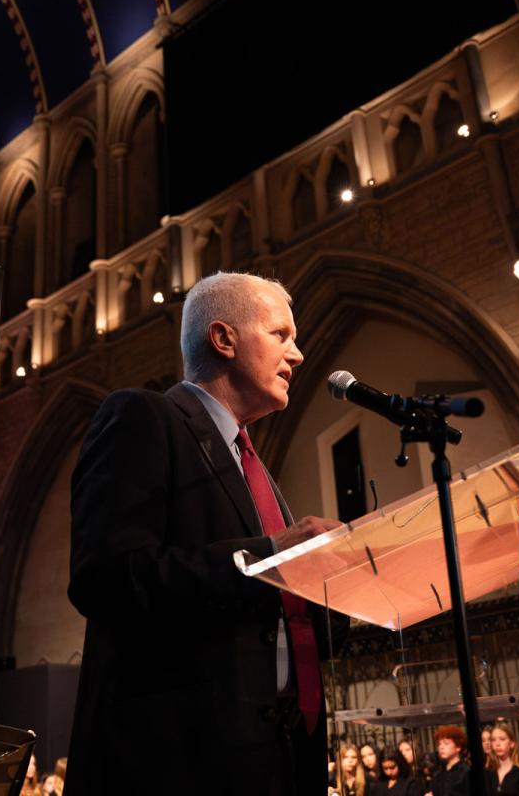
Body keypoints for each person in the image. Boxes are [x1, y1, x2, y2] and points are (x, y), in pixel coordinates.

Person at [67, 272, 345, 796]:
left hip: (278, 762)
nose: (299, 354)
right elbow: (105, 576)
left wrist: (342, 584)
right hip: (179, 765)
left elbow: (278, 619)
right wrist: (270, 555)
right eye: (281, 335)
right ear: (224, 339)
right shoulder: (143, 417)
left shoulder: (255, 470)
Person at [485, 722, 519, 796]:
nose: (497, 744)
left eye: (502, 739)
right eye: (493, 740)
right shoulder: (488, 772)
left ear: (512, 743)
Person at [430, 725, 468, 796]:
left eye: (446, 743)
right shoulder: (437, 775)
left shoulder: (466, 773)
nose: (441, 747)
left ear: (458, 747)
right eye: (439, 744)